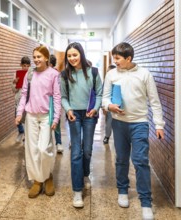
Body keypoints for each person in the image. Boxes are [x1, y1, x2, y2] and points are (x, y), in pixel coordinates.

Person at [102, 42, 165, 220]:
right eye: (114, 58)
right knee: (121, 159)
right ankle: (122, 190)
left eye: (118, 58)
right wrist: (110, 106)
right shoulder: (111, 74)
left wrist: (159, 125)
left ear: (128, 58)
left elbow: (154, 101)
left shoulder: (144, 74)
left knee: (140, 161)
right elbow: (105, 98)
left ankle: (146, 202)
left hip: (139, 123)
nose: (115, 61)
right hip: (118, 123)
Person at [15, 45, 61, 198]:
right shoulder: (30, 74)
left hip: (46, 116)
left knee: (44, 149)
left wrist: (56, 118)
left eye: (39, 57)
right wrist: (19, 112)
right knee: (32, 149)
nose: (36, 60)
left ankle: (47, 176)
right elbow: (23, 94)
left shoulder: (53, 74)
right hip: (31, 116)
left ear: (46, 58)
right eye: (34, 57)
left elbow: (56, 97)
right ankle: (37, 181)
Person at [61, 42, 103, 208]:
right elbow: (63, 97)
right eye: (69, 56)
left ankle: (85, 174)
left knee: (87, 149)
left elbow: (99, 92)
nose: (72, 58)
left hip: (89, 114)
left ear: (81, 54)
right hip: (74, 115)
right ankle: (77, 191)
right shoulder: (64, 75)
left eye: (75, 55)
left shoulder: (93, 72)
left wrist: (95, 108)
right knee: (76, 151)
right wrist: (68, 109)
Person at [12, 56, 31, 143]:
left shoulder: (32, 74)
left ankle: (26, 138)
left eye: (27, 66)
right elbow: (14, 90)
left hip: (28, 101)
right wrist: (14, 83)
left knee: (27, 120)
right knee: (17, 118)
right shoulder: (17, 74)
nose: (26, 68)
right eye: (24, 65)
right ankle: (21, 131)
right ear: (21, 65)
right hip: (18, 101)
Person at [49, 54, 64, 153]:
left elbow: (59, 91)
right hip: (44, 102)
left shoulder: (56, 74)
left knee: (56, 122)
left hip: (54, 101)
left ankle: (58, 143)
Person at [102, 64, 116, 145]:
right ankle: (107, 136)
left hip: (118, 104)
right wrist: (104, 107)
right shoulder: (106, 81)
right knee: (109, 122)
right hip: (109, 105)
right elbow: (104, 93)